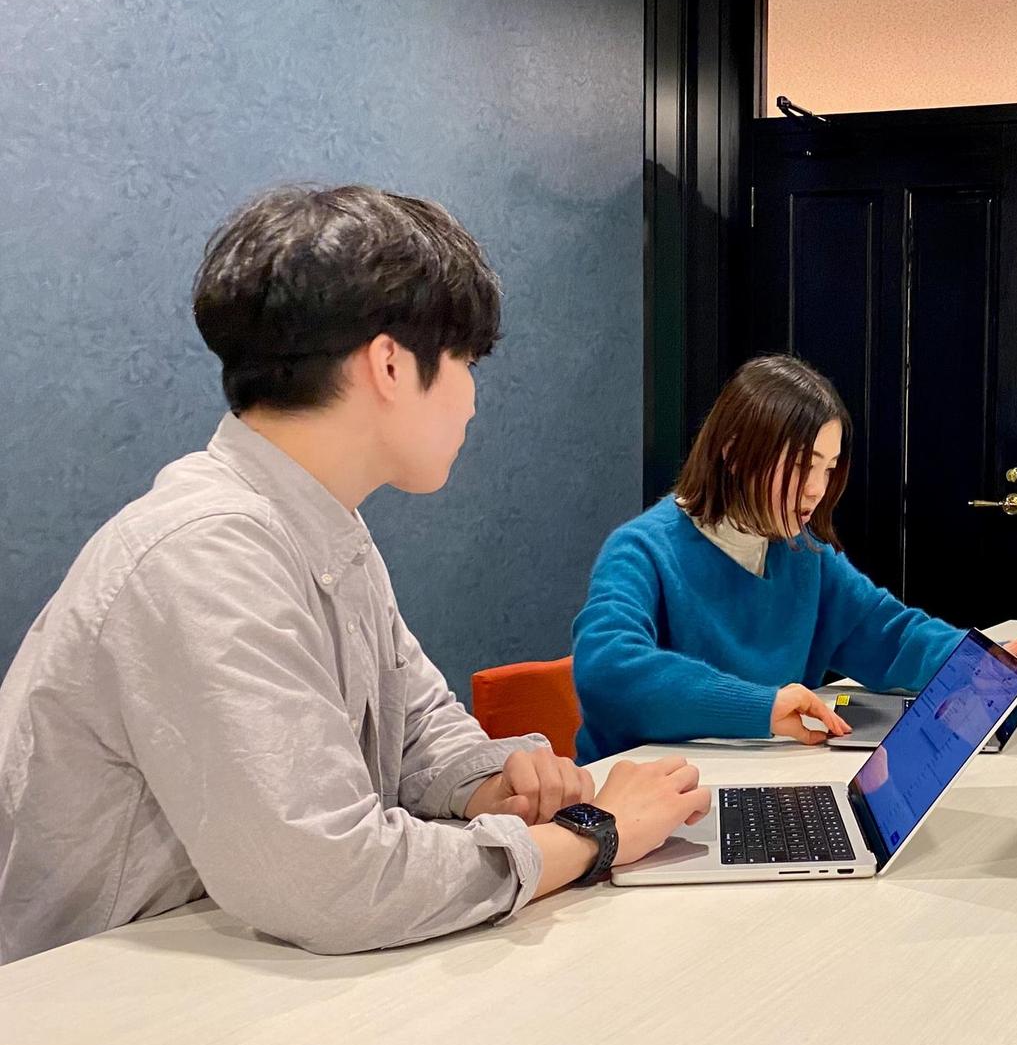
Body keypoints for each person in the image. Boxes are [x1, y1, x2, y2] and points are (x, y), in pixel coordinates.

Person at [0, 184, 710, 965]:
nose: (474, 401)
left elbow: (415, 725)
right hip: (83, 1000)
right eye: (467, 362)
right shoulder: (205, 553)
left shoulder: (319, 523)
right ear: (390, 364)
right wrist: (594, 836)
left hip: (222, 967)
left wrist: (490, 784)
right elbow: (332, 881)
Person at [573, 354, 1017, 758]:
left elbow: (890, 634)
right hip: (640, 799)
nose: (816, 489)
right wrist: (762, 707)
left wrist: (980, 663)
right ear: (733, 452)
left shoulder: (803, 552)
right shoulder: (642, 550)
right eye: (802, 466)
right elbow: (606, 672)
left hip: (759, 775)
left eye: (828, 468)